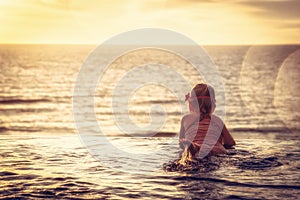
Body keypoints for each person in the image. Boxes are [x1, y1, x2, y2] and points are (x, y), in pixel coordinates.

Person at [179, 83, 236, 160]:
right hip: (216, 148)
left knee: (195, 149)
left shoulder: (186, 119)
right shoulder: (217, 120)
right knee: (214, 150)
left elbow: (181, 141)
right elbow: (230, 142)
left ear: (191, 104)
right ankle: (203, 149)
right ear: (213, 105)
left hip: (194, 145)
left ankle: (196, 147)